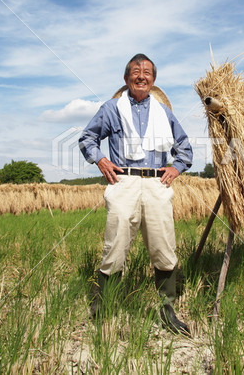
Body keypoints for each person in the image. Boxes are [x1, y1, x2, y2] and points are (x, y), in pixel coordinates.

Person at [79, 53, 193, 335]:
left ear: (153, 79)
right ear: (126, 77)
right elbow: (87, 138)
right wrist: (101, 161)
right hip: (124, 183)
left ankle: (167, 311)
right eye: (135, 71)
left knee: (163, 247)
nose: (141, 76)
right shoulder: (112, 108)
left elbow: (185, 150)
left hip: (157, 185)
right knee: (115, 245)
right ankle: (104, 305)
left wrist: (176, 169)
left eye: (147, 72)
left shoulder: (163, 112)